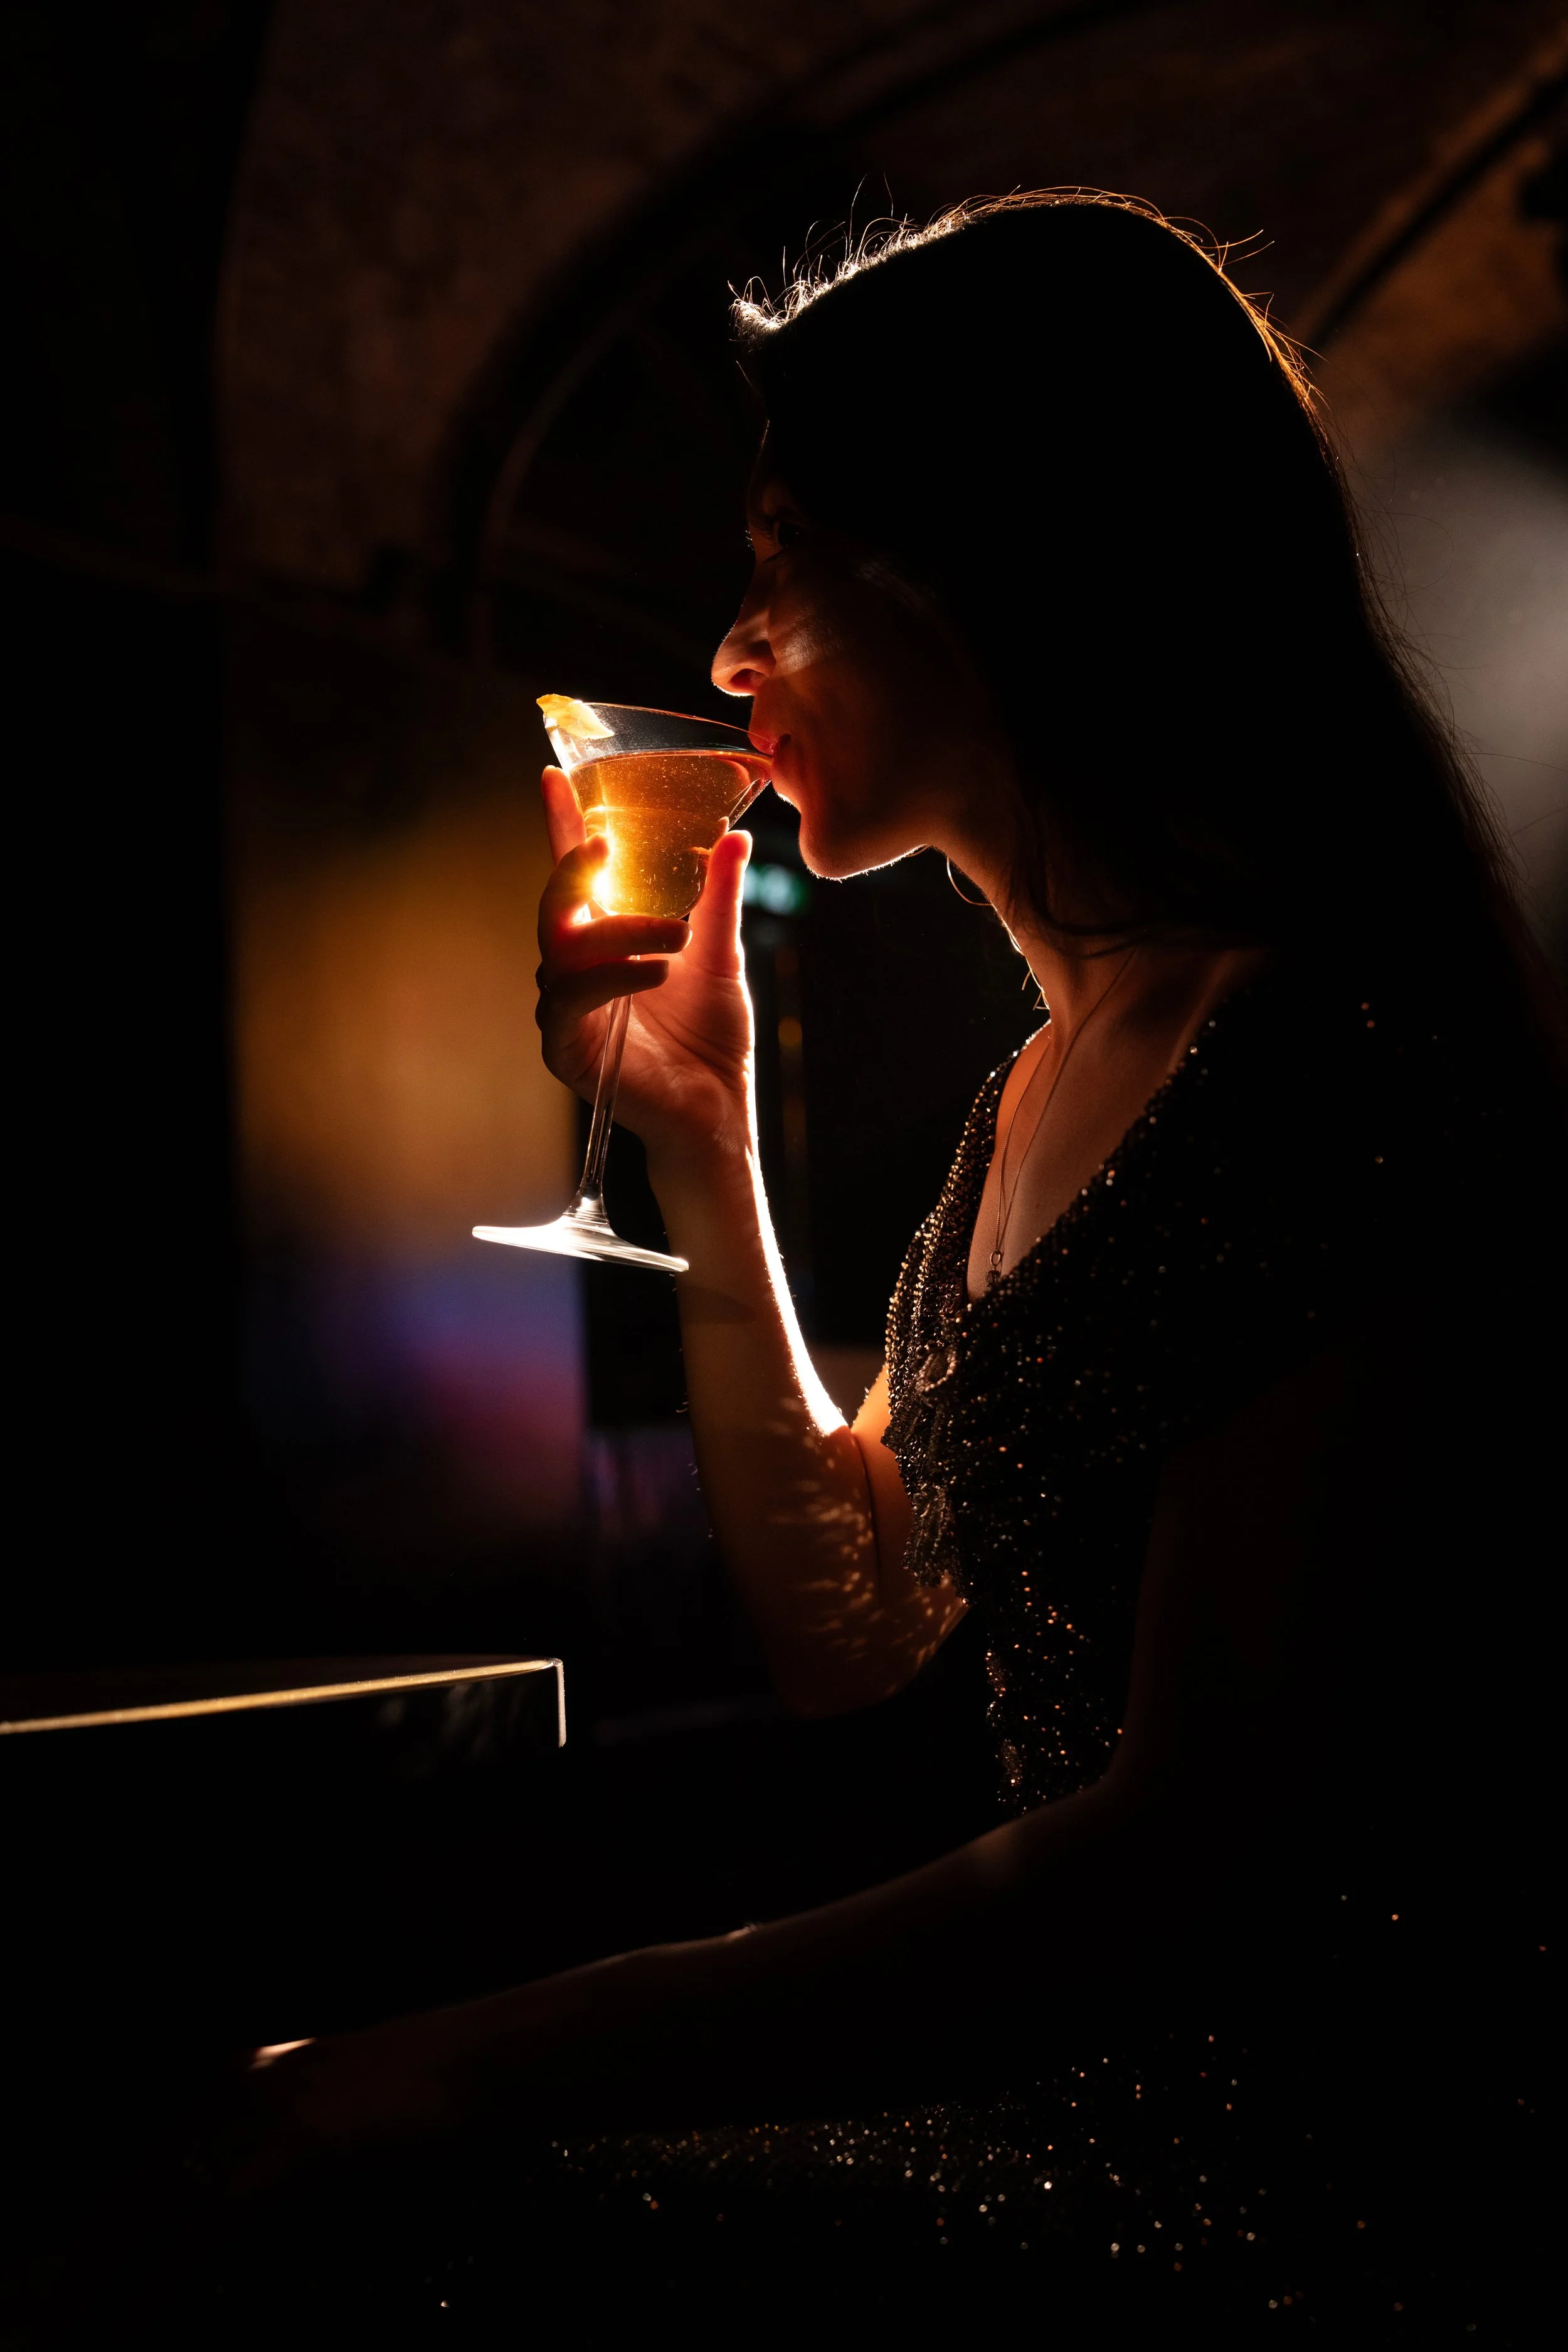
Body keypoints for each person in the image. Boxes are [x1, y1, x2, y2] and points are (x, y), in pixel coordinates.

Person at [181, 194, 1565, 2338]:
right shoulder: (1044, 1083)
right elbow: (862, 1613)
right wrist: (698, 1140)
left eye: (773, 556)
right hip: (1085, 2120)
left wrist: (463, 2047)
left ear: (993, 560)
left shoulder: (1328, 1063)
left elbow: (1177, 1855)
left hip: (1306, 2183)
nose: (731, 653)